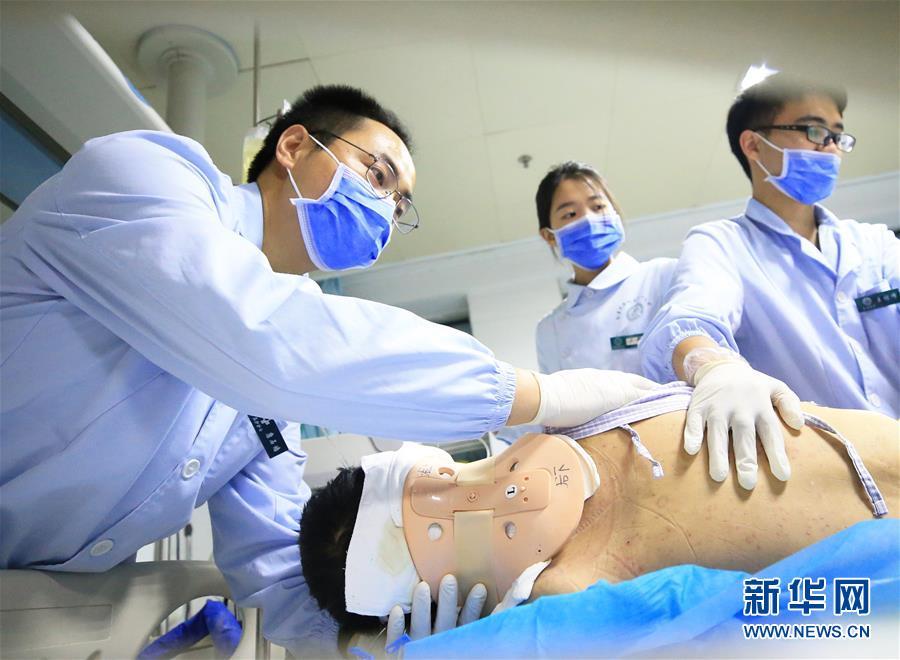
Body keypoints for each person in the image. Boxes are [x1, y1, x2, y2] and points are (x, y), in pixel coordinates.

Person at [0, 84, 662, 654]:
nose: (386, 211)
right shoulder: (143, 177)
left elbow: (276, 568)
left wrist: (376, 645)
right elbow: (265, 341)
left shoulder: (270, 399)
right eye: (378, 176)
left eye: (399, 206)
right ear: (294, 146)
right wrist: (535, 394)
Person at [298, 397, 898, 649]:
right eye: (436, 539)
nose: (477, 500)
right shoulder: (571, 604)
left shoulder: (583, 414)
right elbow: (798, 623)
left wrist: (713, 361)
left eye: (445, 479)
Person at [641, 74, 900, 491]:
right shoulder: (723, 243)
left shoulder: (875, 244)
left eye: (837, 136)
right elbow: (688, 322)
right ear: (754, 144)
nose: (830, 147)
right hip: (831, 483)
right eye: (814, 130)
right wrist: (715, 366)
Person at [534, 162, 677, 376]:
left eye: (598, 207)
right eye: (570, 214)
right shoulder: (549, 330)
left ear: (615, 213)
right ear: (549, 236)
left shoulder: (663, 276)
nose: (588, 219)